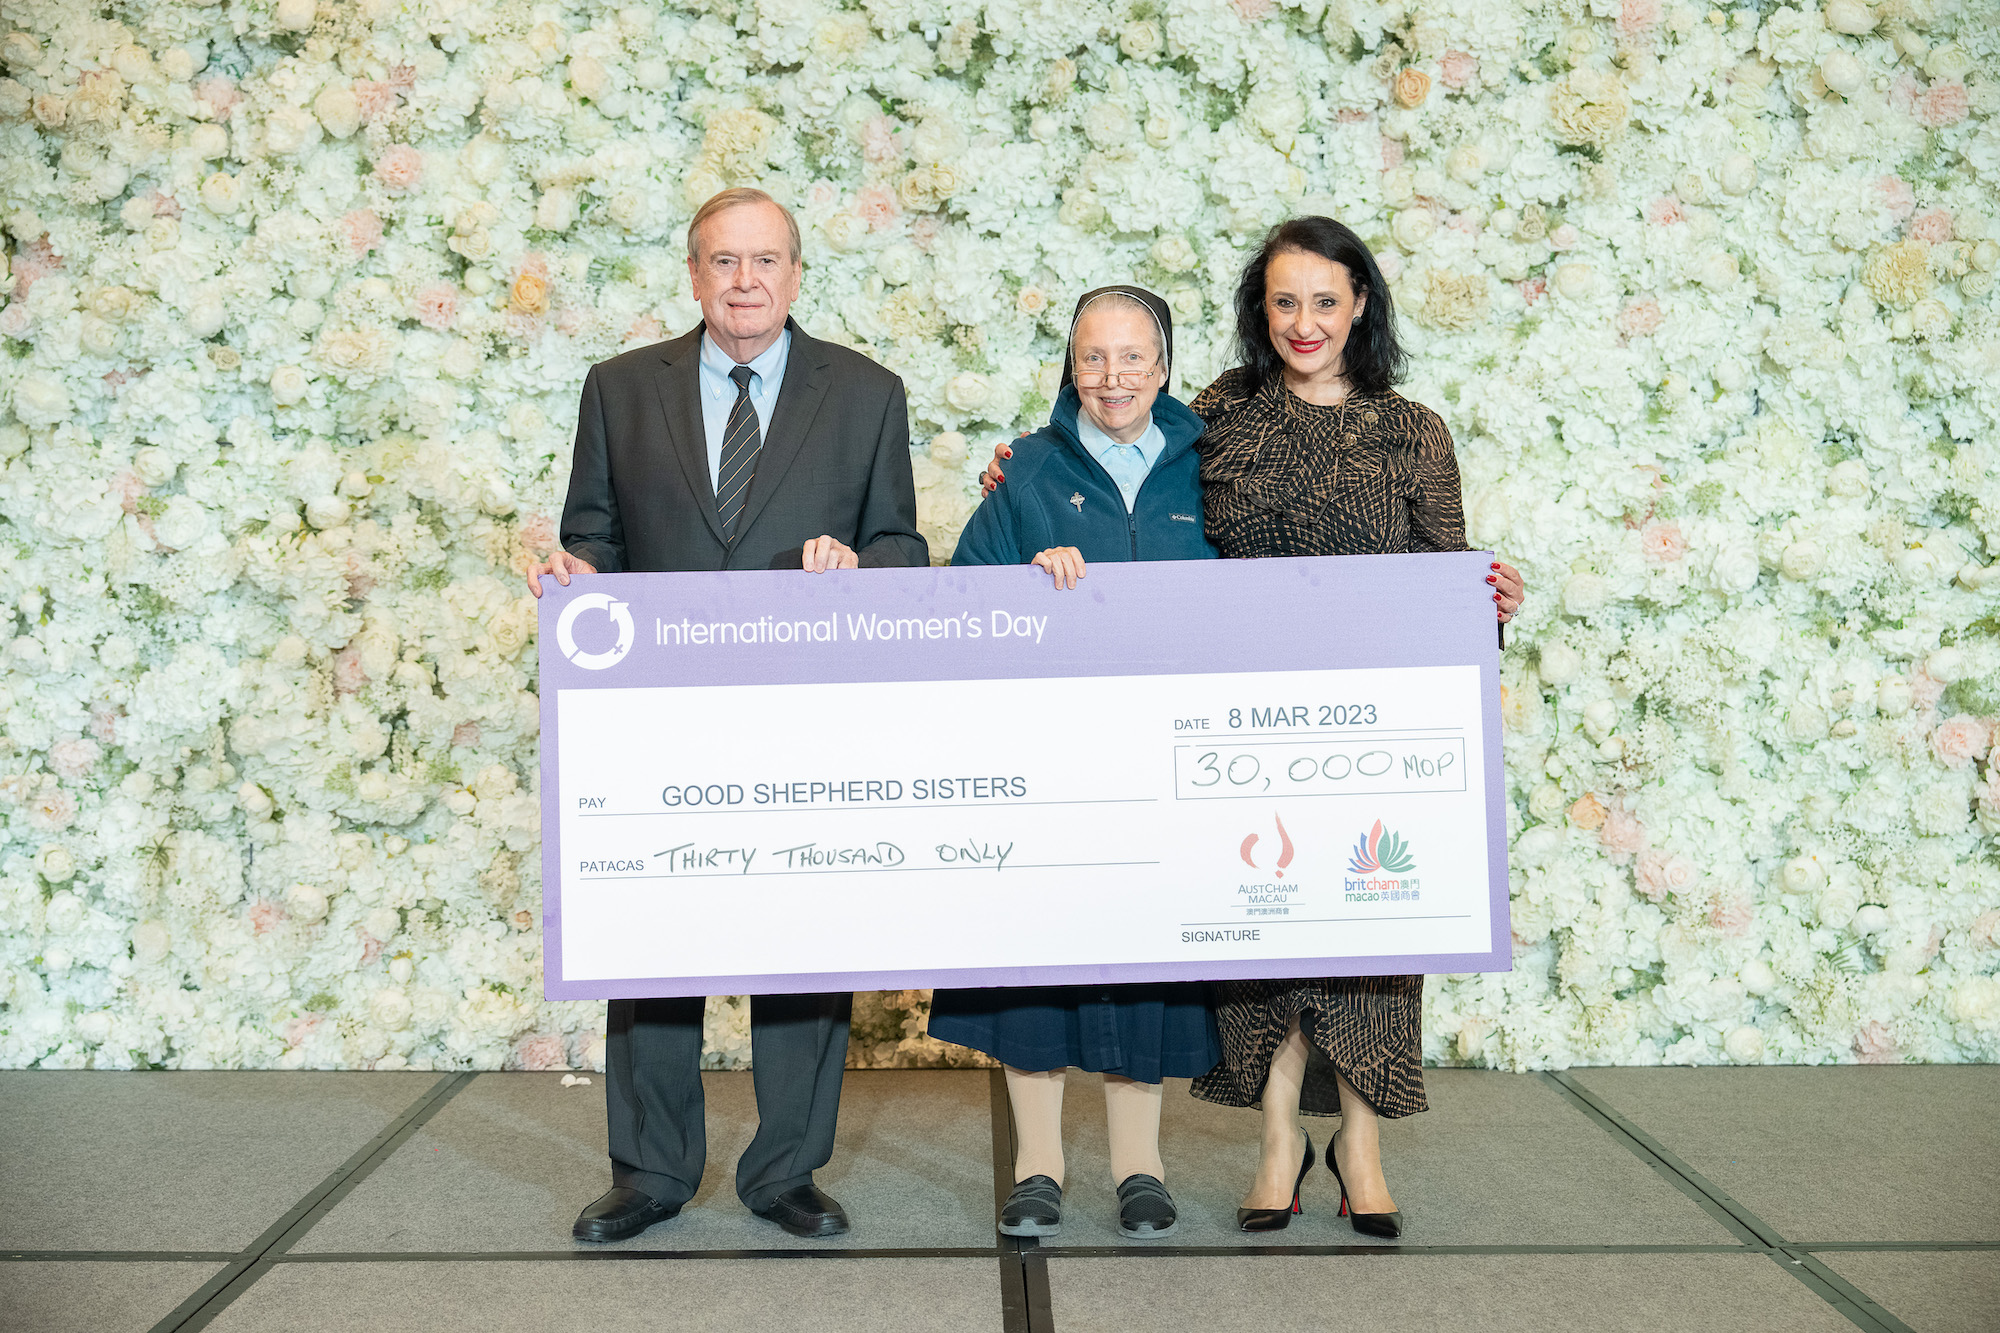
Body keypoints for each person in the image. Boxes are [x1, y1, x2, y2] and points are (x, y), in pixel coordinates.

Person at [977, 218, 1525, 1237]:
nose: (1304, 321)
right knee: (1256, 925)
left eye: (1325, 300)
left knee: (1372, 924)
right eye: (1283, 301)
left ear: (1360, 303)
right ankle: (1277, 1139)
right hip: (1236, 723)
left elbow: (1449, 570)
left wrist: (1488, 596)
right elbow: (1111, 454)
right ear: (1256, 311)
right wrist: (1021, 478)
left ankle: (1358, 1144)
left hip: (1373, 721)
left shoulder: (1414, 431)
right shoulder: (1217, 415)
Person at [528, 187, 927, 1243]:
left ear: (795, 274)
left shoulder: (867, 392)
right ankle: (651, 1173)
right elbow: (595, 539)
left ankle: (785, 1171)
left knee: (803, 943)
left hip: (809, 718)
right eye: (722, 261)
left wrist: (858, 564)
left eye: (763, 261)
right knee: (650, 942)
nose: (743, 281)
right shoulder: (618, 389)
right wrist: (574, 577)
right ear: (692, 273)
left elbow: (902, 547)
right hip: (655, 718)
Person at [929, 286, 1221, 1241]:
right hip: (1045, 757)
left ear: (1165, 366)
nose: (1113, 377)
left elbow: (1268, 588)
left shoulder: (1210, 466)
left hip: (1166, 758)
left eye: (1133, 357)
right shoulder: (1027, 472)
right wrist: (1025, 583)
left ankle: (1141, 1166)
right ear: (1071, 366)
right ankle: (1041, 1167)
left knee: (1145, 962)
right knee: (1039, 965)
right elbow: (962, 606)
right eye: (1093, 358)